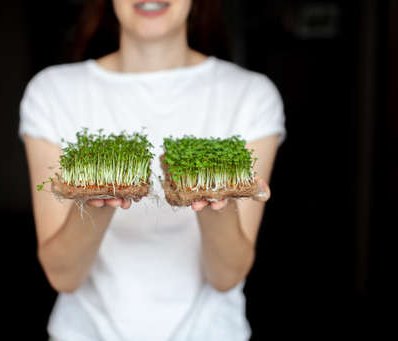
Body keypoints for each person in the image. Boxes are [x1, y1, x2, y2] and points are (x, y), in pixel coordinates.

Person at [19, 0, 286, 340]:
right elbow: (63, 277)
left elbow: (226, 277)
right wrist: (97, 201)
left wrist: (216, 203)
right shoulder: (52, 92)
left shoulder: (251, 95)